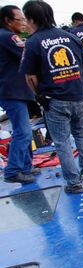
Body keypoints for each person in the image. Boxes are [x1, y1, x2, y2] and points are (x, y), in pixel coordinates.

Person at [21, 0, 83, 193]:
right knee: (81, 134)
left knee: (62, 141)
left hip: (55, 100)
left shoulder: (32, 42)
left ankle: (74, 183)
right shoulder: (70, 37)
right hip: (79, 96)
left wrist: (39, 95)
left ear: (31, 19)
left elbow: (30, 77)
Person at [0, 4, 38, 184]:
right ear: (8, 21)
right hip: (12, 92)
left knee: (25, 131)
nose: (24, 22)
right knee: (22, 132)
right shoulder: (9, 37)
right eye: (20, 19)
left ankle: (26, 167)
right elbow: (29, 56)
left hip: (12, 91)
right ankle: (13, 171)